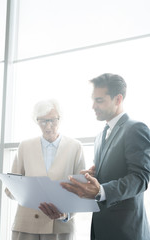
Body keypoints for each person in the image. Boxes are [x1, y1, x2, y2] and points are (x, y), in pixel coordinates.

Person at [61, 73, 150, 240]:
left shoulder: (136, 128)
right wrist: (92, 177)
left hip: (126, 231)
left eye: (99, 100)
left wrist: (101, 190)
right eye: (93, 100)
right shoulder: (100, 136)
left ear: (118, 99)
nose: (93, 106)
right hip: (100, 230)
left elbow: (140, 179)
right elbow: (109, 175)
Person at [5, 99, 85, 240]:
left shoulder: (75, 147)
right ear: (36, 121)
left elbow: (81, 190)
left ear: (60, 119)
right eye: (43, 121)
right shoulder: (25, 146)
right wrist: (23, 191)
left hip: (59, 225)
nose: (48, 126)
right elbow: (10, 188)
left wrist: (66, 214)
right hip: (26, 225)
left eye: (53, 120)